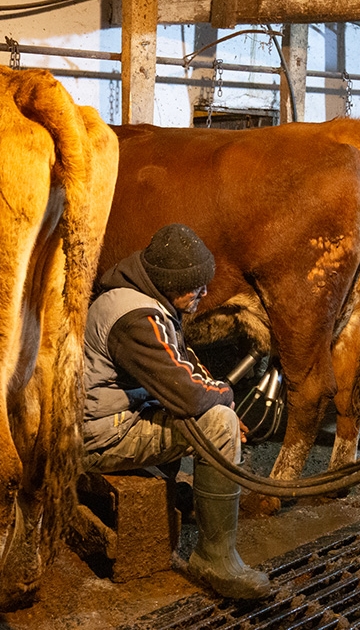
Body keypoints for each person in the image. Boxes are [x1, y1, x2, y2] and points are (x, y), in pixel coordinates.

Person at [81, 223, 271, 600]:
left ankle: (192, 499)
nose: (204, 292)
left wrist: (218, 396)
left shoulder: (143, 299)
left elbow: (185, 364)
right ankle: (215, 558)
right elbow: (186, 395)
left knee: (218, 416)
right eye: (194, 286)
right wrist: (226, 399)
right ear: (169, 283)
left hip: (120, 417)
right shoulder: (136, 319)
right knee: (217, 423)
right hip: (99, 439)